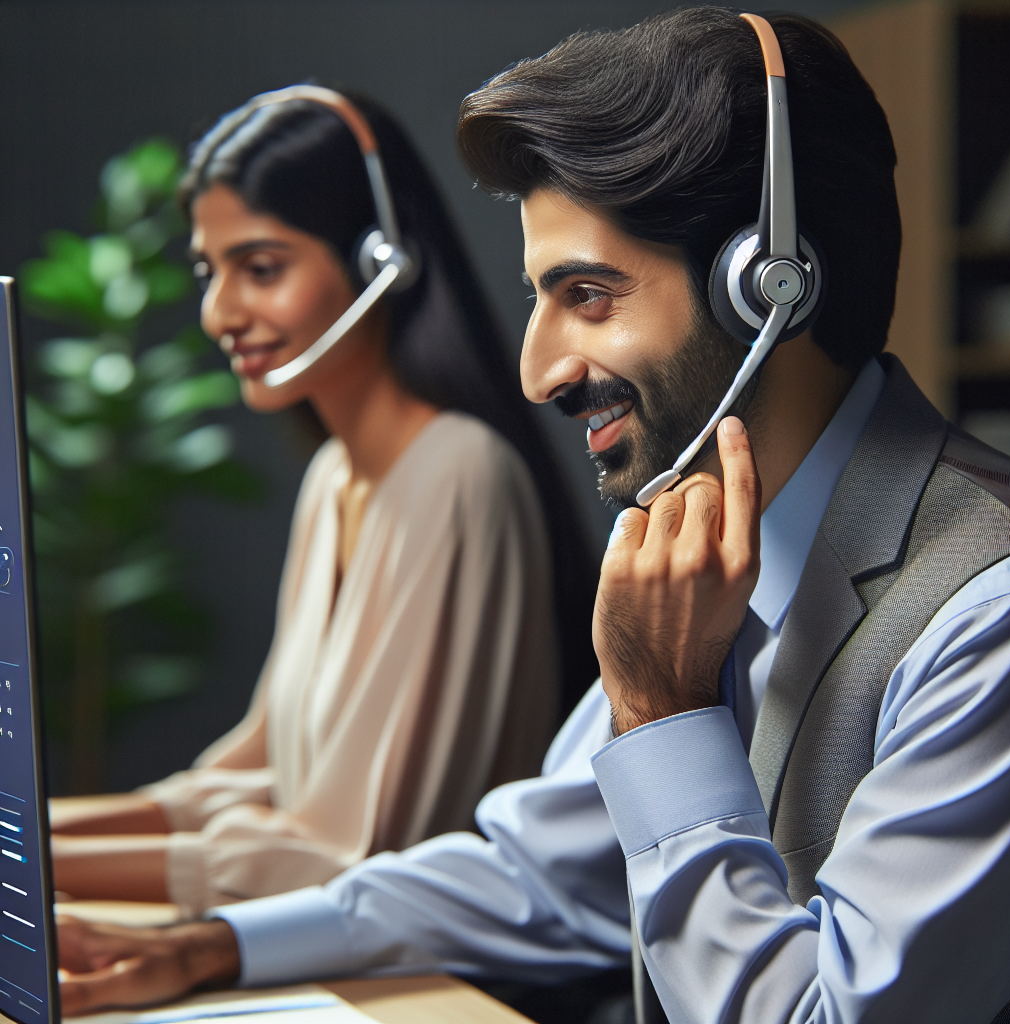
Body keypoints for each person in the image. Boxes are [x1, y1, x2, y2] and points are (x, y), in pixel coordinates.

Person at [58, 11, 1010, 1024]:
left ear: (767, 285)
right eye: (539, 298)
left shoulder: (991, 615)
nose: (537, 371)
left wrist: (664, 715)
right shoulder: (694, 550)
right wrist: (213, 946)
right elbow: (547, 876)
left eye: (589, 295)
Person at [48, 88, 599, 918]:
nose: (219, 313)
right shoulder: (335, 477)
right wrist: (34, 836)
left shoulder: (458, 473)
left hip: (426, 973)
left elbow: (351, 852)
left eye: (260, 268)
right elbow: (261, 778)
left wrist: (45, 863)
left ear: (383, 261)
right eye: (210, 271)